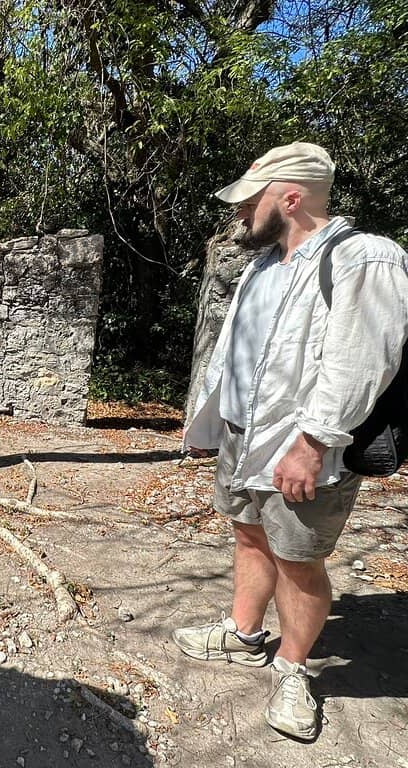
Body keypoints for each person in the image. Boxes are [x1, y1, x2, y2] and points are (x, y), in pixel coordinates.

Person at [176, 141, 408, 740]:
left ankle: (292, 668)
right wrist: (210, 424)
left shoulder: (364, 259)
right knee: (249, 535)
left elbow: (363, 362)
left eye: (248, 203)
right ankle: (245, 634)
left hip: (303, 447)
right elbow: (235, 355)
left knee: (298, 560)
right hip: (241, 438)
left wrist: (312, 442)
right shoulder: (263, 266)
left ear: (290, 197)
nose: (240, 215)